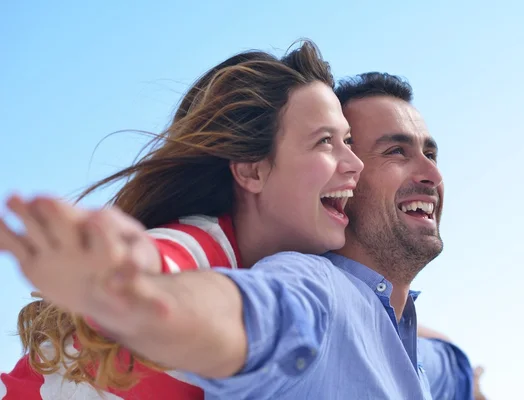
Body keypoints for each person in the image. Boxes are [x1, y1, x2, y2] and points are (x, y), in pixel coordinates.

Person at [0, 41, 363, 399]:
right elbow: (168, 264)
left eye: (348, 140)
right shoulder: (203, 244)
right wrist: (130, 272)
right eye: (324, 142)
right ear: (252, 171)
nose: (355, 163)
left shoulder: (298, 286)